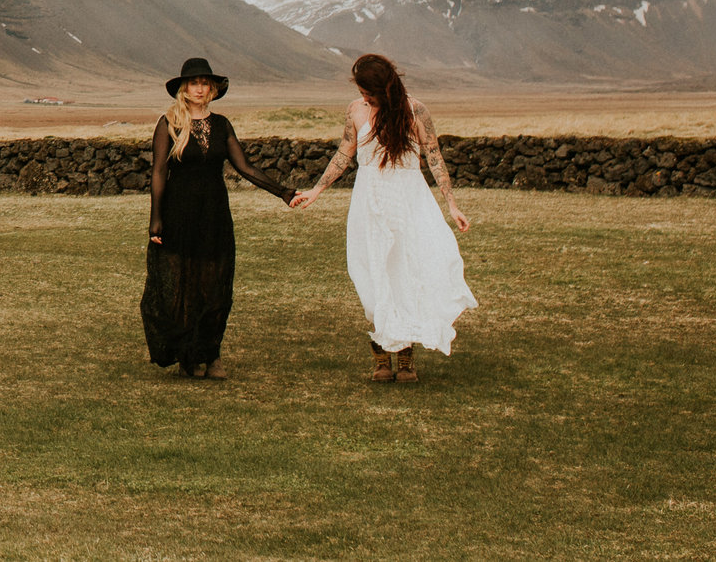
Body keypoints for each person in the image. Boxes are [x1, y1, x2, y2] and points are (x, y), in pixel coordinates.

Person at [289, 52, 477, 382]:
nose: (364, 97)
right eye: (361, 91)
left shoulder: (414, 111)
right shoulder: (356, 111)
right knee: (371, 275)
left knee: (405, 273)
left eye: (369, 92)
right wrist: (316, 190)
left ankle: (405, 359)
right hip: (369, 203)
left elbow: (434, 158)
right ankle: (381, 359)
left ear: (385, 87)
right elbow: (344, 153)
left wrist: (452, 205)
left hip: (409, 202)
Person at [143, 56, 294, 379]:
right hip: (178, 212)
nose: (199, 88)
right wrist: (156, 218)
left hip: (213, 213)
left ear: (212, 89)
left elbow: (245, 167)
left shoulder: (222, 124)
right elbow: (158, 170)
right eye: (194, 83)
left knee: (215, 286)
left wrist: (282, 192)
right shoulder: (169, 122)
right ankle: (187, 356)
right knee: (180, 284)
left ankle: (212, 356)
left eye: (204, 83)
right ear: (184, 88)